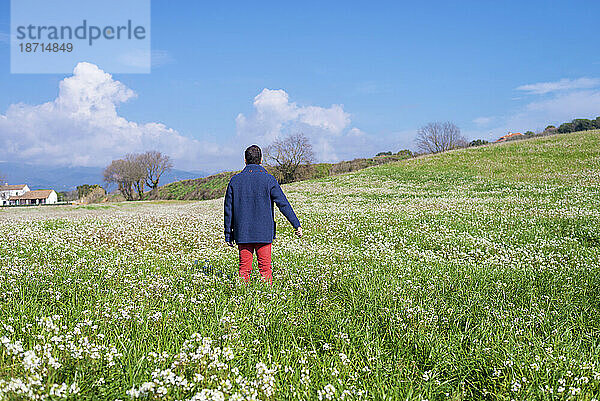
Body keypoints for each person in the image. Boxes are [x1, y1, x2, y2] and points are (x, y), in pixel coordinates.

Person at [224, 145, 302, 283]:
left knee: (244, 270)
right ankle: (267, 299)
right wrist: (296, 224)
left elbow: (228, 210)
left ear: (245, 160)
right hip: (264, 232)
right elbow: (283, 204)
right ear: (261, 160)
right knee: (265, 270)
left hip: (243, 232)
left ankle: (243, 298)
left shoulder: (235, 181)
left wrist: (228, 234)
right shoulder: (269, 179)